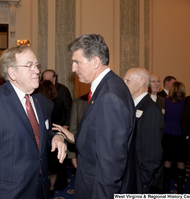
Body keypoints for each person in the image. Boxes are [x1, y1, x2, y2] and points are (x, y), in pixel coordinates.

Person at [0, 45, 67, 199]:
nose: (37, 71)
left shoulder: (40, 102)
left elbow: (36, 135)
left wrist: (56, 137)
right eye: (29, 66)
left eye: (37, 65)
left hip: (40, 191)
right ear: (12, 72)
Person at [52, 34, 139, 198]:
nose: (73, 68)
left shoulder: (109, 96)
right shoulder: (108, 86)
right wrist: (76, 138)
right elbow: (101, 139)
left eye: (77, 62)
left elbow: (111, 165)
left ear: (96, 62)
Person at [124, 68, 164, 193]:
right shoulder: (135, 105)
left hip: (143, 181)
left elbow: (153, 153)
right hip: (134, 174)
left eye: (128, 80)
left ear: (142, 82)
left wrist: (144, 181)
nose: (124, 84)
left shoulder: (150, 110)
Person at [42, 69, 73, 189]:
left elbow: (68, 109)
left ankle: (61, 183)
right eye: (45, 80)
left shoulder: (63, 89)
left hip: (60, 129)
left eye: (49, 80)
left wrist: (66, 125)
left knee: (60, 158)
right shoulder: (39, 90)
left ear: (54, 79)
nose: (47, 82)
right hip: (48, 130)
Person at [38, 80, 63, 197]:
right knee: (54, 165)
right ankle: (52, 187)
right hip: (56, 134)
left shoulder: (43, 103)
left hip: (48, 136)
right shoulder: (57, 102)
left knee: (47, 165)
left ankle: (47, 187)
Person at [162, 81, 186, 194]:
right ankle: (180, 187)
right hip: (180, 135)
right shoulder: (186, 102)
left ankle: (166, 185)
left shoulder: (165, 102)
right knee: (181, 160)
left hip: (167, 134)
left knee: (167, 159)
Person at [67, 93, 88, 169]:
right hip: (82, 155)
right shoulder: (78, 103)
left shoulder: (108, 100)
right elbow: (73, 129)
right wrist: (73, 155)